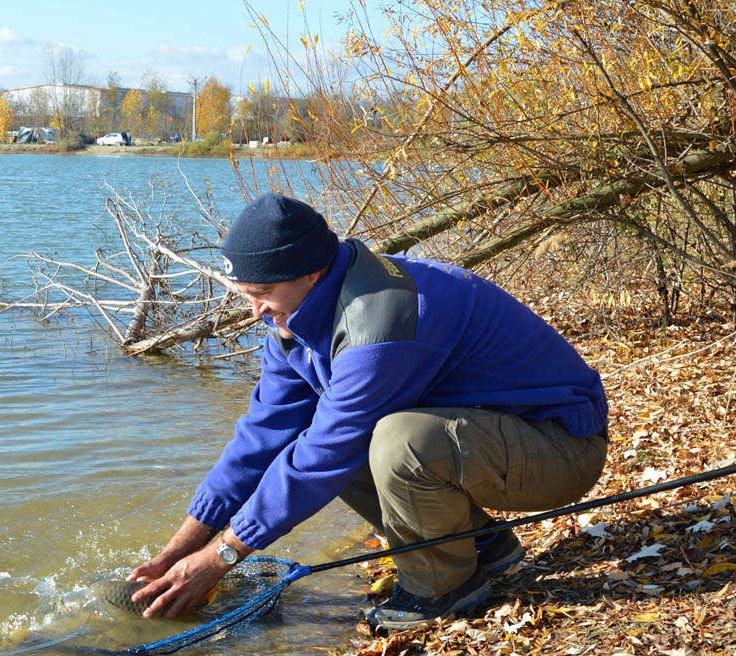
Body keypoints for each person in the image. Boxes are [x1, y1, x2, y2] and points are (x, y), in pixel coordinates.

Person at [128, 193, 608, 630]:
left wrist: (221, 559)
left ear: (311, 273)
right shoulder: (295, 318)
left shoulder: (381, 324)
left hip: (560, 449)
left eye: (262, 293)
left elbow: (323, 458)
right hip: (491, 437)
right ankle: (482, 544)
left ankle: (445, 587)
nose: (255, 311)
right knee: (337, 438)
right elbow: (260, 440)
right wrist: (180, 549)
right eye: (246, 294)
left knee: (395, 442)